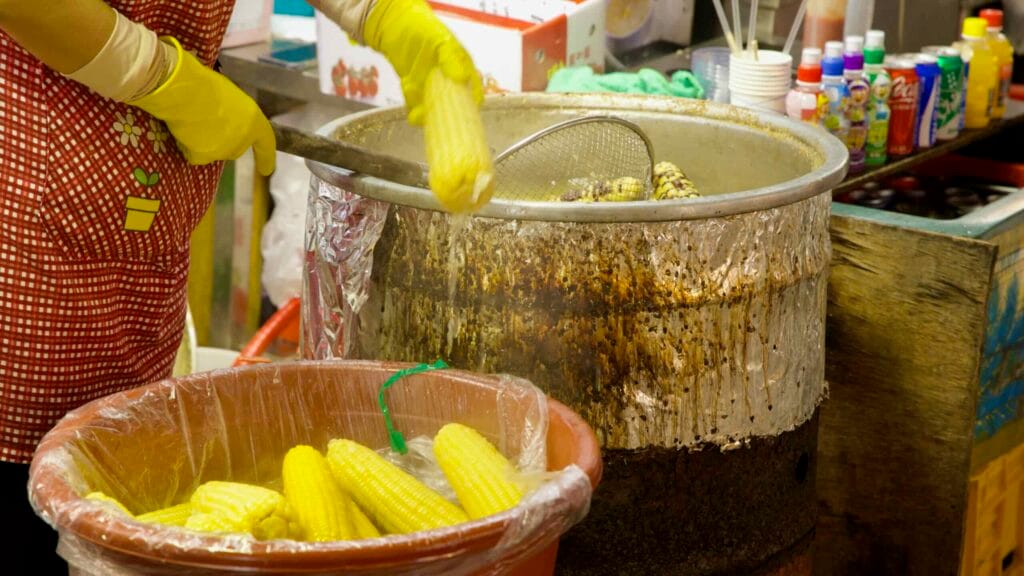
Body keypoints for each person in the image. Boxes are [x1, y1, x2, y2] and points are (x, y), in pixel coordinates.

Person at [0, 0, 480, 569]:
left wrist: (377, 14)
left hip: (132, 207)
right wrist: (163, 78)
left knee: (107, 473)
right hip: (29, 193)